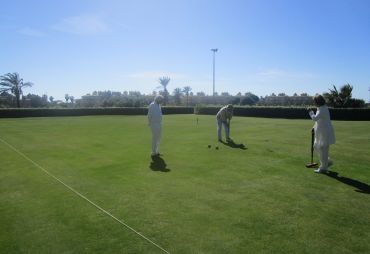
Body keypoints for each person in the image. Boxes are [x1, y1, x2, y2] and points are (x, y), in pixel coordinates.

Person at [308, 94, 335, 173]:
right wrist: (313, 127)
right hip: (320, 133)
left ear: (318, 102)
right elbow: (319, 121)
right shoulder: (320, 108)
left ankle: (323, 168)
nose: (314, 103)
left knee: (323, 150)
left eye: (314, 101)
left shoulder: (323, 109)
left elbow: (315, 118)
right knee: (316, 146)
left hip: (324, 133)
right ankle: (327, 162)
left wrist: (310, 112)